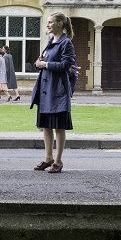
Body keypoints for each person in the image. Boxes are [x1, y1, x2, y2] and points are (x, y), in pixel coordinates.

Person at [30, 11, 76, 174]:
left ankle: (58, 160)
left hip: (57, 90)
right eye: (47, 22)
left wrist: (46, 64)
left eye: (50, 22)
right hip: (45, 90)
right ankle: (48, 157)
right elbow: (44, 61)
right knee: (46, 126)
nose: (47, 25)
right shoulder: (50, 41)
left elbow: (65, 65)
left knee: (58, 127)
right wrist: (39, 63)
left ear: (60, 24)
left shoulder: (66, 43)